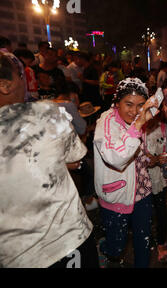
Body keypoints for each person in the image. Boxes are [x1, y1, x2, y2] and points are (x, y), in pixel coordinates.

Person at [0, 50, 98, 268]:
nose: (26, 80)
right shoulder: (46, 113)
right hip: (66, 241)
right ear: (5, 84)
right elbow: (76, 157)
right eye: (20, 75)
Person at [93, 77, 160, 268]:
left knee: (144, 242)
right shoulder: (106, 122)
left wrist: (148, 158)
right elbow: (115, 157)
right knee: (117, 246)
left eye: (140, 105)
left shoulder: (141, 118)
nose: (134, 111)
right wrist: (139, 124)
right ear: (117, 103)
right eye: (128, 104)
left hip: (142, 192)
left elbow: (136, 153)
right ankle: (104, 248)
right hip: (117, 194)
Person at [144, 89, 167, 263]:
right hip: (138, 180)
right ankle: (144, 242)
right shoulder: (137, 129)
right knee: (143, 213)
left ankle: (161, 243)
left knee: (161, 211)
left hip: (158, 181)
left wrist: (159, 160)